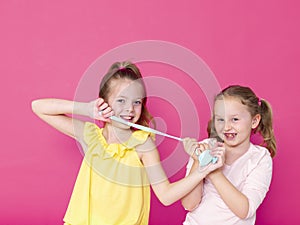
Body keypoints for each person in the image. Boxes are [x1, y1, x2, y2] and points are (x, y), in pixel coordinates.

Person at [31, 61, 225, 225]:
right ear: (104, 102)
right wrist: (87, 109)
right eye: (121, 101)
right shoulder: (91, 135)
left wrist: (201, 171)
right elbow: (39, 107)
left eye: (137, 102)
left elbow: (166, 196)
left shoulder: (143, 144)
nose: (130, 109)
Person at [181, 85, 277, 225]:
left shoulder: (260, 158)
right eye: (220, 119)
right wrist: (198, 162)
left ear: (254, 121)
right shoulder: (205, 148)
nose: (226, 127)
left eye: (235, 119)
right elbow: (189, 204)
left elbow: (245, 210)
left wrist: (214, 172)